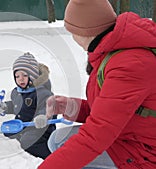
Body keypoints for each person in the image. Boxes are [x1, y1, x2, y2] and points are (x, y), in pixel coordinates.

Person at [38, 0, 156, 168]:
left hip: (145, 153)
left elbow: (97, 135)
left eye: (71, 31)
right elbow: (112, 111)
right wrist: (72, 107)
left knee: (66, 146)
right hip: (129, 137)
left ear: (83, 31)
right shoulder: (112, 51)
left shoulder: (130, 64)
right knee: (58, 140)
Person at [0, 52, 56, 159]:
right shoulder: (16, 92)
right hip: (23, 125)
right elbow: (17, 105)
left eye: (25, 75)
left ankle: (52, 157)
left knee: (28, 140)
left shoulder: (42, 93)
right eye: (17, 76)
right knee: (7, 133)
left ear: (33, 76)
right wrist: (5, 107)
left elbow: (49, 107)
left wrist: (43, 116)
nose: (20, 79)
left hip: (40, 129)